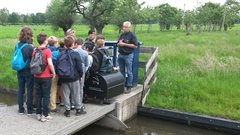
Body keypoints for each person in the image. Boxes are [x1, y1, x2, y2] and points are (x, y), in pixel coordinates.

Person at [58, 35, 86, 117]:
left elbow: (57, 66)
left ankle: (67, 111)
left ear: (65, 44)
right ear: (73, 44)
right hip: (74, 78)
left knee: (66, 94)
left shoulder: (60, 54)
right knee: (76, 93)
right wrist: (80, 75)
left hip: (64, 78)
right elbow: (79, 67)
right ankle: (78, 109)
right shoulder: (75, 54)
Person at [33, 33, 56, 122]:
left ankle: (38, 114)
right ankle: (45, 115)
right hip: (46, 76)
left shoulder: (35, 50)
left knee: (38, 95)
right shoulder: (47, 51)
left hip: (36, 76)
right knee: (46, 96)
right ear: (45, 41)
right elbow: (50, 63)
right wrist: (53, 73)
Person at [15, 27, 34, 115]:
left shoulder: (17, 45)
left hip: (19, 70)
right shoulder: (30, 48)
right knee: (29, 90)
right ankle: (29, 110)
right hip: (28, 71)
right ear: (29, 36)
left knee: (20, 89)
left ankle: (20, 109)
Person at [117, 21, 138, 94]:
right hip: (121, 55)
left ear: (129, 27)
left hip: (128, 55)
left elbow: (135, 46)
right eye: (123, 27)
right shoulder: (121, 35)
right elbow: (118, 43)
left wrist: (125, 44)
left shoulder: (132, 35)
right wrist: (119, 44)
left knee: (129, 71)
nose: (124, 28)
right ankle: (122, 86)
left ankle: (129, 86)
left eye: (126, 27)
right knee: (121, 71)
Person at [73, 37, 89, 111]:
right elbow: (87, 64)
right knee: (80, 88)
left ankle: (73, 103)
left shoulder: (73, 51)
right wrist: (84, 72)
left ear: (75, 43)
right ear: (82, 44)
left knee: (73, 88)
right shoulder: (85, 53)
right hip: (82, 71)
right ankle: (79, 103)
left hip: (74, 72)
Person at [47, 36, 59, 113]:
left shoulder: (45, 50)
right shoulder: (57, 52)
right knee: (53, 90)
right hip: (54, 73)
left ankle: (44, 105)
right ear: (55, 43)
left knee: (45, 90)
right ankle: (52, 107)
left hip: (45, 73)